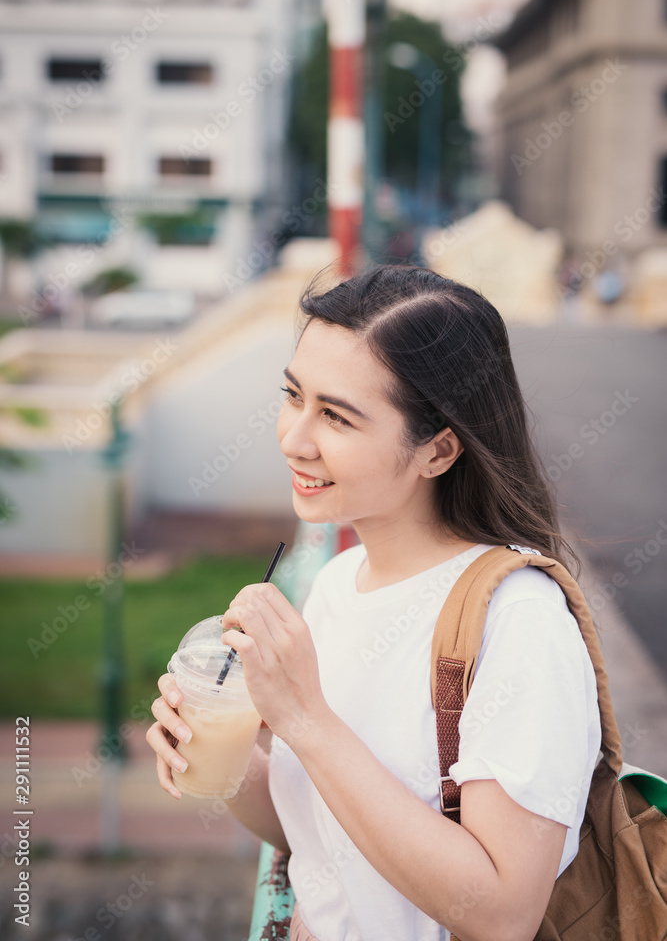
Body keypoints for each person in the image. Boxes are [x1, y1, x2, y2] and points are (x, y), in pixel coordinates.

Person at [146, 265, 602, 941]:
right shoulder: (338, 581)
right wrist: (229, 759)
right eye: (292, 396)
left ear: (438, 450)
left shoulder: (518, 620)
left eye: (335, 415)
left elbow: (504, 912)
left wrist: (304, 719)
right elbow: (323, 835)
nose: (293, 438)